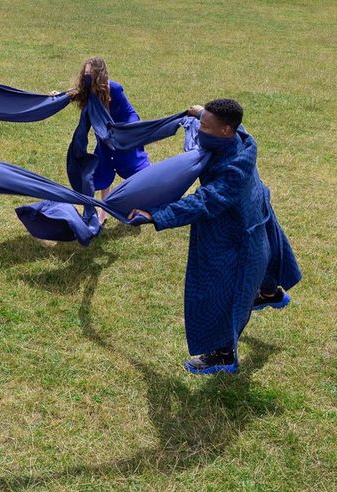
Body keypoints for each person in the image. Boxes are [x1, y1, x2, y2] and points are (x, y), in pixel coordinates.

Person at [128, 99, 300, 375]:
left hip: (236, 231)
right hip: (255, 214)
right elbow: (228, 122)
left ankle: (223, 355)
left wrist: (156, 216)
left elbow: (204, 202)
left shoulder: (233, 169)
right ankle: (269, 292)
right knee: (265, 255)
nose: (199, 130)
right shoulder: (242, 136)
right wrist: (199, 114)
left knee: (218, 291)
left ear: (225, 131)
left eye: (205, 126)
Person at [54, 57, 151, 224]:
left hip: (122, 138)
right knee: (100, 173)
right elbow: (77, 93)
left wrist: (127, 129)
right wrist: (61, 96)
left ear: (99, 74)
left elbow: (130, 112)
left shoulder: (114, 88)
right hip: (104, 139)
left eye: (90, 73)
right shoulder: (87, 89)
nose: (87, 76)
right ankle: (103, 213)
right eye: (85, 73)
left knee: (136, 172)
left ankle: (142, 207)